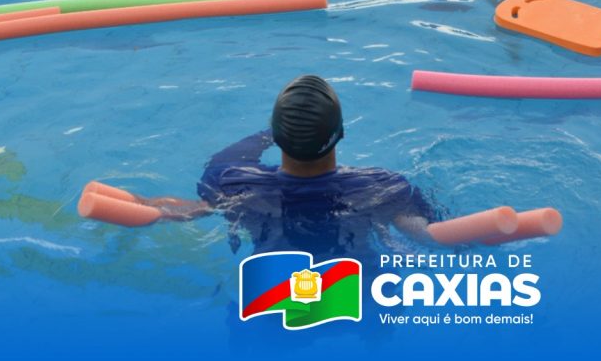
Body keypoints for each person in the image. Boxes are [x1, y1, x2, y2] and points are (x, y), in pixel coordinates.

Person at [131, 75, 438, 258]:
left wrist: (277, 129)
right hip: (362, 296)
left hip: (271, 293)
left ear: (278, 138)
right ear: (341, 133)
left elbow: (189, 209)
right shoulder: (382, 187)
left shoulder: (232, 183)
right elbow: (427, 236)